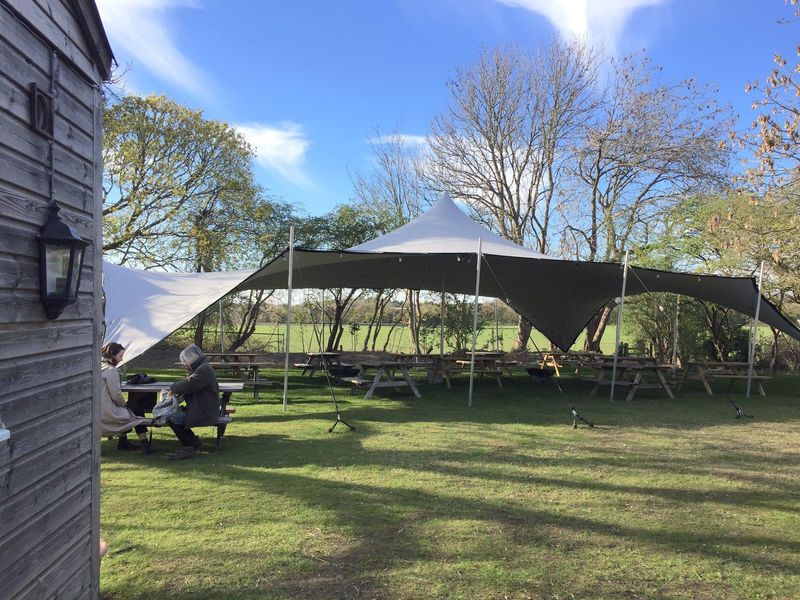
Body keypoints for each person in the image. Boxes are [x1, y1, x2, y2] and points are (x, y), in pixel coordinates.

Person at [165, 344, 220, 460]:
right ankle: (192, 442)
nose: (184, 365)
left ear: (190, 360)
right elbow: (188, 383)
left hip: (204, 411)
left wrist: (173, 389)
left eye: (185, 362)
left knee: (170, 416)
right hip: (201, 408)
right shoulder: (200, 368)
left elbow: (190, 384)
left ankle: (188, 446)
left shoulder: (203, 369)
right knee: (172, 416)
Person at [100, 342, 153, 455]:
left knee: (129, 410)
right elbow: (116, 394)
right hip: (107, 413)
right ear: (112, 355)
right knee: (136, 411)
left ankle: (123, 442)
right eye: (120, 356)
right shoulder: (111, 370)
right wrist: (125, 404)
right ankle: (144, 444)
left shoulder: (98, 367)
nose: (122, 359)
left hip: (97, 410)